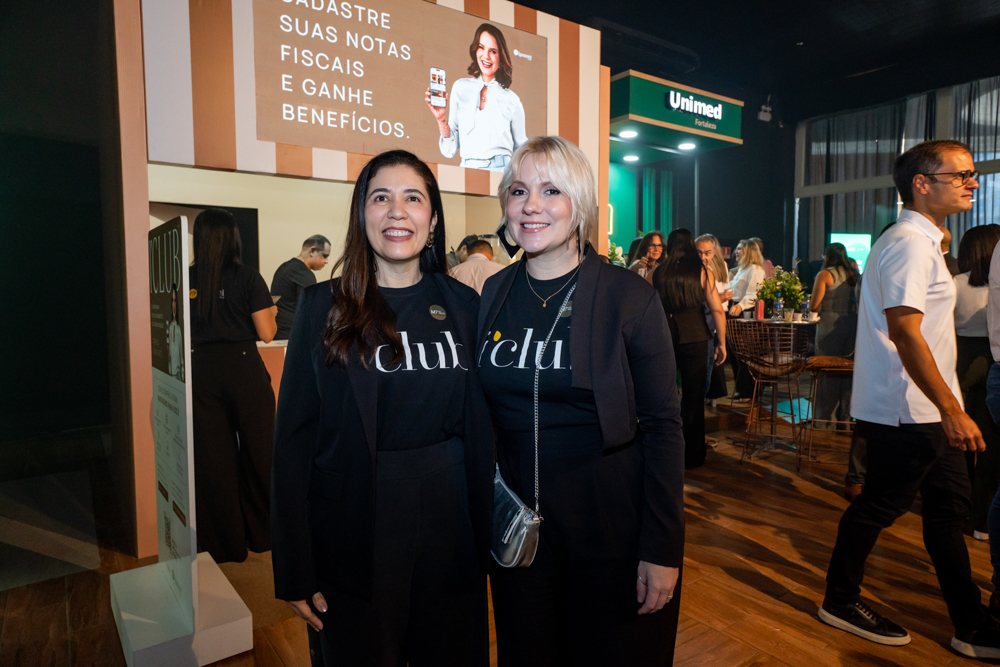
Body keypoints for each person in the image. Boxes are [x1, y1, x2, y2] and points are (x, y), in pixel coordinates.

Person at [270, 151, 493, 666]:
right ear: (362, 214)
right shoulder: (322, 308)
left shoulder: (466, 307)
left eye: (413, 198)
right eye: (381, 198)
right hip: (355, 525)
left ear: (432, 221)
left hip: (453, 521)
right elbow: (293, 441)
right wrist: (295, 566)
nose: (397, 211)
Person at [479, 136, 685, 666]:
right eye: (519, 191)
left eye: (552, 191)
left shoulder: (628, 296)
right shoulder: (494, 293)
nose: (532, 205)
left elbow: (664, 426)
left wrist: (662, 547)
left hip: (610, 529)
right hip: (520, 532)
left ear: (581, 205)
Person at [818, 140, 999, 658]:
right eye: (960, 174)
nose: (972, 183)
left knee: (948, 511)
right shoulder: (909, 244)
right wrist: (951, 409)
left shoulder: (922, 242)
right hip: (907, 408)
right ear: (921, 184)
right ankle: (840, 600)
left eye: (972, 173)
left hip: (924, 408)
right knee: (881, 505)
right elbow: (904, 332)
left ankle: (970, 624)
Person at [189, 208, 277, 564]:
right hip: (243, 368)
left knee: (214, 460)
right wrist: (270, 312)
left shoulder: (185, 278)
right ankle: (264, 534)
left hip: (202, 370)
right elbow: (267, 333)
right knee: (261, 452)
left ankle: (224, 544)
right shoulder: (248, 278)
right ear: (232, 239)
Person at [653, 229, 727, 469]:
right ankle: (693, 455)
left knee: (665, 396)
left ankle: (665, 451)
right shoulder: (703, 272)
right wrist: (721, 342)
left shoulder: (659, 272)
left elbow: (648, 305)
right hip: (696, 337)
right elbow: (717, 310)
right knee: (694, 398)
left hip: (665, 338)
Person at [426, 24, 526, 171]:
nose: (486, 56)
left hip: (503, 172)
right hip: (468, 170)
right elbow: (449, 150)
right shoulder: (460, 87)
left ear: (501, 57)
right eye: (481, 48)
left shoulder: (513, 100)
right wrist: (441, 119)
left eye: (493, 51)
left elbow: (522, 149)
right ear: (475, 50)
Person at [954, 224, 1000, 542]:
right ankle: (982, 522)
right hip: (990, 367)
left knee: (959, 450)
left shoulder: (955, 284)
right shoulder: (992, 290)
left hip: (959, 367)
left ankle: (959, 514)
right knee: (990, 451)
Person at [809, 243, 859, 429]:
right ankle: (844, 420)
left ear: (827, 256)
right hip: (852, 325)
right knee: (847, 371)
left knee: (827, 369)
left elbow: (814, 304)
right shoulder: (854, 275)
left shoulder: (825, 275)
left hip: (829, 326)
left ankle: (824, 420)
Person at [271, 234, 331, 340]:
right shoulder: (304, 274)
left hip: (279, 332)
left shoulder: (284, 267)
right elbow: (310, 311)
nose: (326, 261)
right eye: (324, 256)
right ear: (312, 251)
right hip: (292, 335)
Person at [696, 234, 732, 405]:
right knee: (700, 380)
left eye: (707, 253)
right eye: (699, 252)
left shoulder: (716, 267)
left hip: (712, 322)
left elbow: (719, 304)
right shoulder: (698, 272)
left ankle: (710, 399)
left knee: (708, 372)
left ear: (714, 252)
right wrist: (718, 298)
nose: (703, 257)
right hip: (703, 325)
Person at [729, 239, 766, 400]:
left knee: (745, 352)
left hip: (745, 312)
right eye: (736, 248)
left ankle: (750, 391)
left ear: (749, 251)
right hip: (734, 309)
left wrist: (740, 306)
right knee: (736, 353)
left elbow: (754, 294)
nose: (736, 252)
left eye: (740, 249)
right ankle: (742, 390)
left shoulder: (755, 269)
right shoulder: (742, 269)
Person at [167, 284, 185, 382]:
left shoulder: (179, 328)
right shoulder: (170, 327)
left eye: (175, 300)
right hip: (172, 373)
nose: (173, 304)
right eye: (172, 300)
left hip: (178, 373)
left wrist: (182, 372)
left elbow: (181, 350)